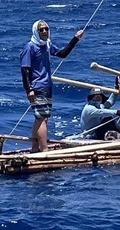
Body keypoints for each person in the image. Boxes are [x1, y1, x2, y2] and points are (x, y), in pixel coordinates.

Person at [20, 20, 84, 152]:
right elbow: (25, 70)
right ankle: (44, 150)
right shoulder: (30, 47)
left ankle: (34, 148)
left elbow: (62, 54)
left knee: (42, 118)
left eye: (46, 29)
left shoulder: (47, 45)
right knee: (42, 119)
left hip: (47, 86)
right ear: (36, 32)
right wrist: (29, 90)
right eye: (41, 30)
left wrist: (75, 39)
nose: (44, 32)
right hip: (38, 87)